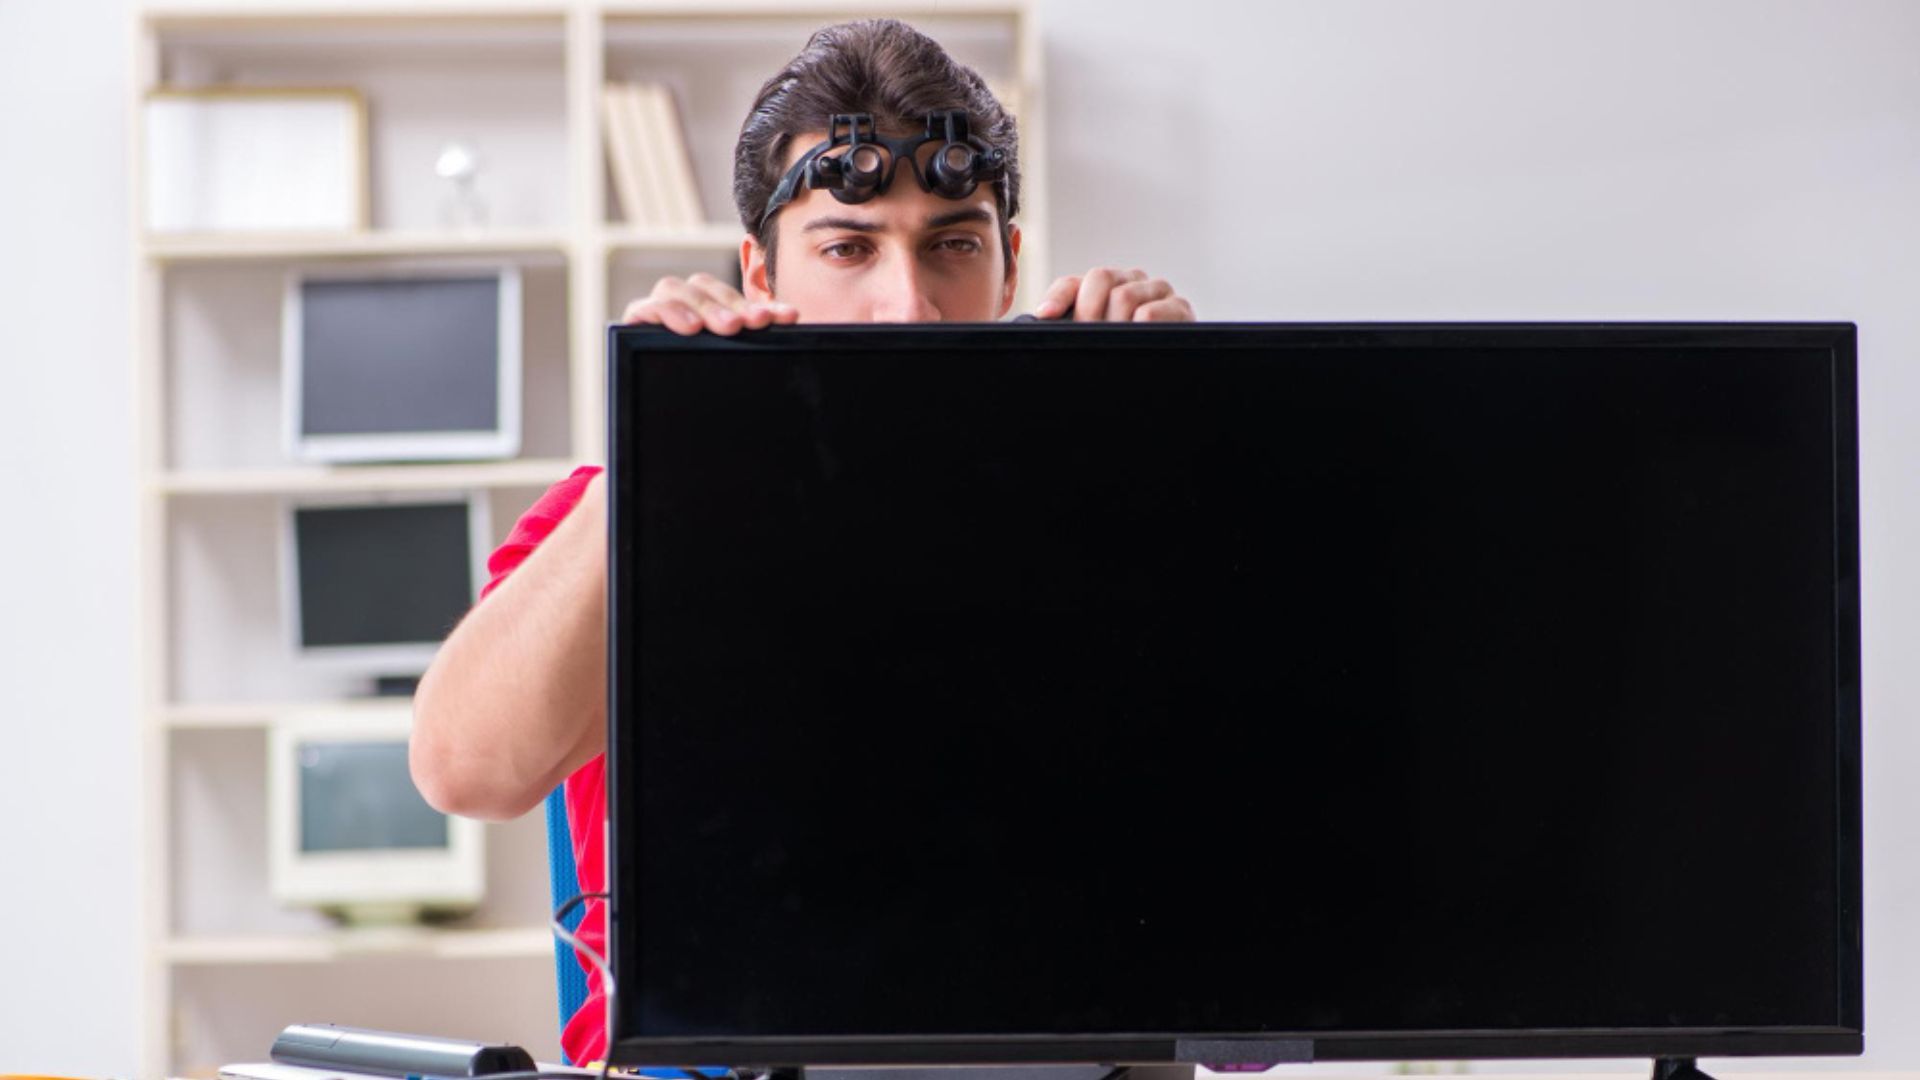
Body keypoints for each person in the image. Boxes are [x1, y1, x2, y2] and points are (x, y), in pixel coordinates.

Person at [408, 17, 1195, 1065]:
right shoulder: (629, 499)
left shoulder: (1115, 490)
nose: (907, 308)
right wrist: (659, 425)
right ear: (760, 274)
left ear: (1008, 266)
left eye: (952, 243)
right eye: (848, 248)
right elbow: (468, 769)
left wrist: (1198, 439)